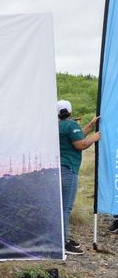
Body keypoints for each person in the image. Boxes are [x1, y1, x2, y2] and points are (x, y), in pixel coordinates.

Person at [57, 100, 101, 254]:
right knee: (66, 207)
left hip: (59, 169)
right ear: (70, 111)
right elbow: (80, 144)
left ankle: (64, 238)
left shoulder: (60, 125)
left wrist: (91, 124)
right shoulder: (71, 125)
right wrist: (94, 138)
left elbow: (77, 135)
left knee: (62, 206)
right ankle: (63, 243)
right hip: (68, 169)